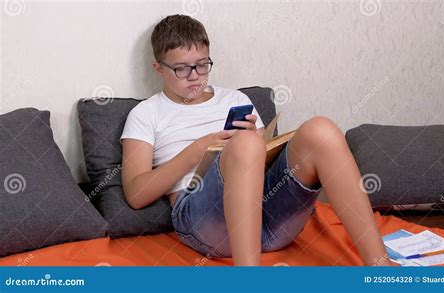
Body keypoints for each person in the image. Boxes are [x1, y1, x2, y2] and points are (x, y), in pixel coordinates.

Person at [120, 14, 394, 266]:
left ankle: (381, 266)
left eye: (202, 65)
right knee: (246, 144)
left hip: (268, 216)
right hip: (204, 224)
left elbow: (265, 164)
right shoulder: (146, 113)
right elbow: (136, 194)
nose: (195, 76)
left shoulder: (236, 100)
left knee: (320, 130)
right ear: (158, 68)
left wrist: (257, 144)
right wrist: (199, 150)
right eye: (182, 69)